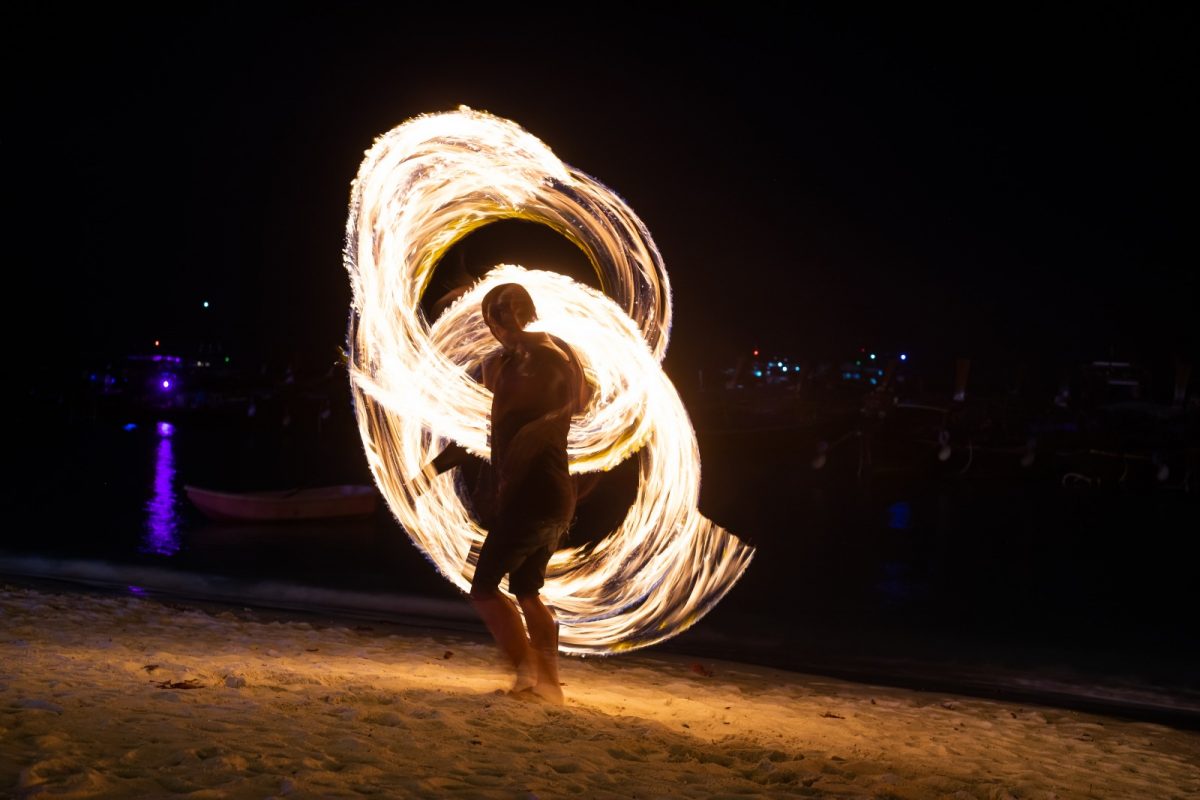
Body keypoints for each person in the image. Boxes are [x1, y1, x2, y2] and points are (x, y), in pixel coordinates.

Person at [424, 283, 591, 704]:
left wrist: (504, 492)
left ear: (507, 319)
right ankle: (548, 686)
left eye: (492, 323)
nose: (492, 333)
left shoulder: (536, 364)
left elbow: (522, 438)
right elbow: (496, 438)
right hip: (552, 495)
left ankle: (526, 674)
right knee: (526, 590)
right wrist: (430, 471)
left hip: (530, 495)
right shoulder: (552, 359)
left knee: (483, 588)